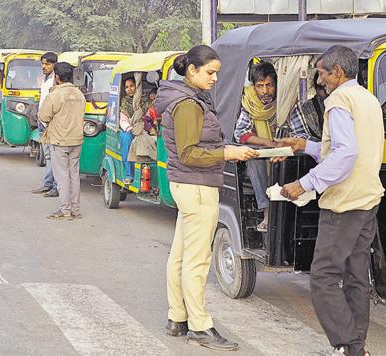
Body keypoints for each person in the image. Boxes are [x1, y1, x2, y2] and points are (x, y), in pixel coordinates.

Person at [279, 45, 384, 356]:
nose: (320, 80)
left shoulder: (338, 100)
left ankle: (349, 344)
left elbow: (345, 153)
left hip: (344, 202)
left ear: (338, 72)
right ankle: (356, 349)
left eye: (323, 73)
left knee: (323, 277)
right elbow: (349, 146)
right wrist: (306, 145)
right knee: (356, 277)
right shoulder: (367, 98)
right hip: (368, 198)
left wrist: (305, 183)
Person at [155, 45, 259, 351]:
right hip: (196, 185)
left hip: (188, 185)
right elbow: (189, 153)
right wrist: (227, 152)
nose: (215, 78)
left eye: (217, 72)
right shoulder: (188, 103)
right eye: (210, 72)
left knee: (180, 254)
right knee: (197, 261)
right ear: (192, 70)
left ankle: (177, 318)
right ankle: (200, 326)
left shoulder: (188, 97)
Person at [233, 61, 277, 232]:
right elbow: (241, 133)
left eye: (269, 85)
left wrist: (287, 142)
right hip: (264, 153)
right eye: (260, 86)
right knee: (255, 159)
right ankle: (267, 212)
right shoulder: (249, 102)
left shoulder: (286, 101)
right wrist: (266, 142)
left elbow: (301, 132)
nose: (265, 91)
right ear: (254, 86)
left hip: (284, 152)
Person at [38, 62, 86, 220]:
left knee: (62, 176)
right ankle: (75, 209)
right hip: (77, 140)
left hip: (59, 141)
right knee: (74, 174)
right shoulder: (80, 95)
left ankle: (65, 209)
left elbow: (43, 116)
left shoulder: (55, 95)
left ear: (57, 77)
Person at [31, 52, 59, 198]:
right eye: (42, 63)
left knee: (53, 156)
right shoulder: (45, 79)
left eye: (47, 64)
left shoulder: (56, 80)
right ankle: (48, 183)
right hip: (42, 122)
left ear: (54, 64)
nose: (44, 66)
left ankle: (55, 186)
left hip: (50, 124)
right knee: (48, 156)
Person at [118, 77, 150, 183]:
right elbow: (123, 120)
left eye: (132, 86)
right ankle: (129, 174)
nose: (129, 89)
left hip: (144, 127)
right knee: (126, 137)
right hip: (129, 128)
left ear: (137, 86)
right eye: (127, 87)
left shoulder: (145, 100)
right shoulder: (124, 101)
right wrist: (130, 129)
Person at [286, 73, 327, 142]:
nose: (327, 92)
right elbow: (299, 137)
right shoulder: (305, 109)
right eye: (322, 88)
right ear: (316, 90)